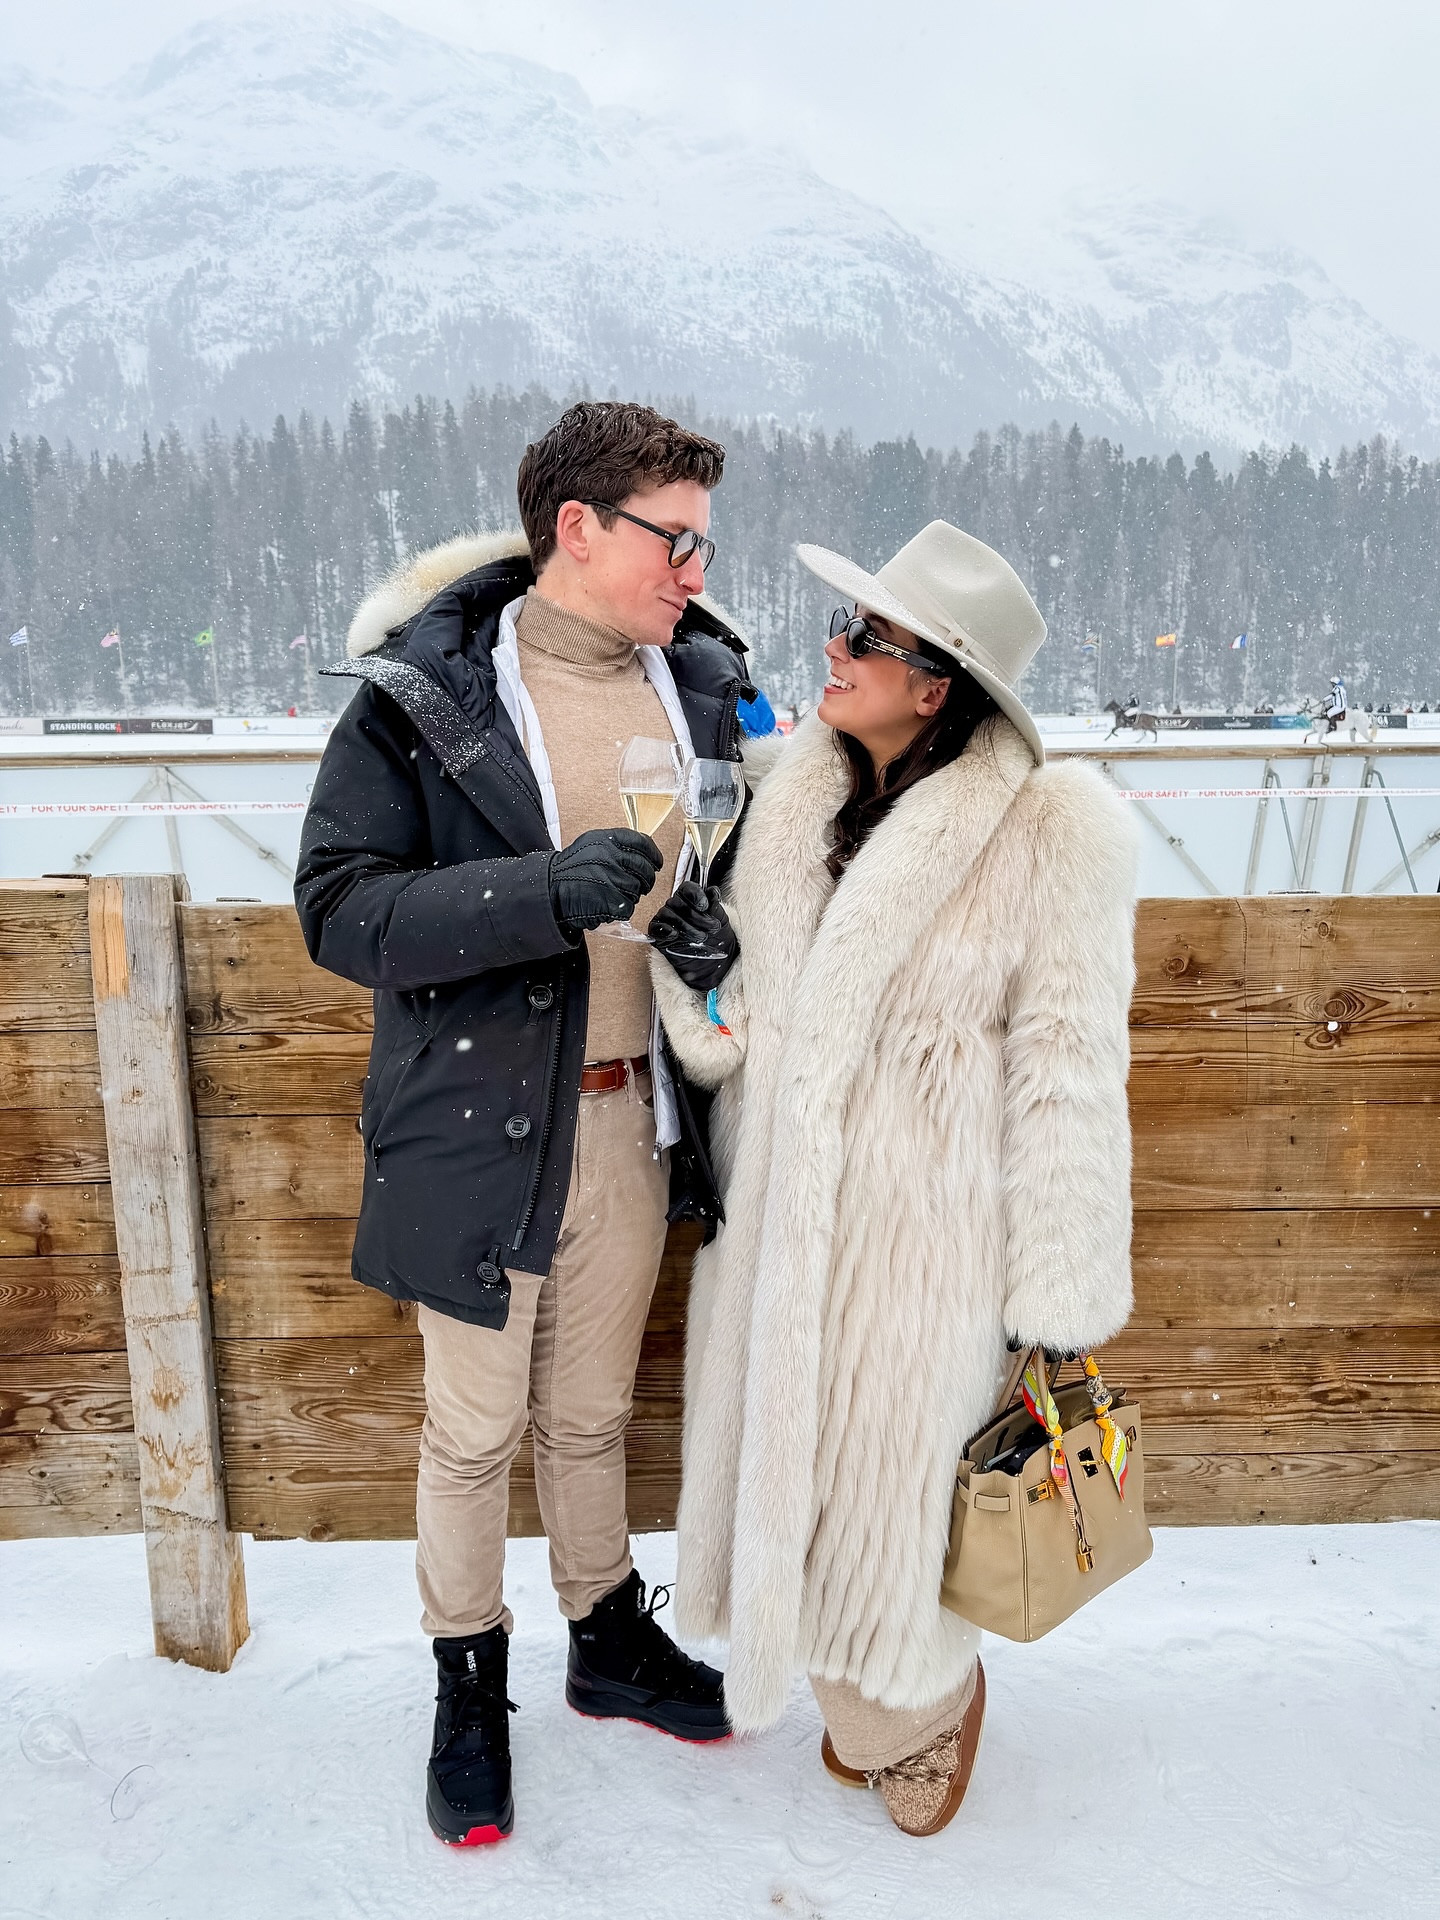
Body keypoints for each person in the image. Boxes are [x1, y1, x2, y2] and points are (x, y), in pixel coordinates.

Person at [295, 401, 757, 1847]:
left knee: (592, 1414)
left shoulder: (703, 683)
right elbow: (339, 911)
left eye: (702, 544)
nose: (694, 569)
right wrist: (537, 893)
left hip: (636, 1122)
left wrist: (707, 940)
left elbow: (745, 870)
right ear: (579, 527)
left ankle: (606, 1639)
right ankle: (465, 1684)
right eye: (672, 540)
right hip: (476, 1123)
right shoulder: (422, 699)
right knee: (473, 1432)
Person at [647, 521, 1138, 1837]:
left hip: (931, 1234)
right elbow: (728, 1036)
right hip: (778, 1217)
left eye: (869, 638)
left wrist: (1059, 1288)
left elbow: (1070, 1064)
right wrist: (694, 971)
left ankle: (918, 1709)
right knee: (784, 1477)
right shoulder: (787, 796)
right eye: (844, 626)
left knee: (891, 1491)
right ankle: (856, 1698)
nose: (836, 649)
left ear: (938, 683)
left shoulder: (1053, 828)